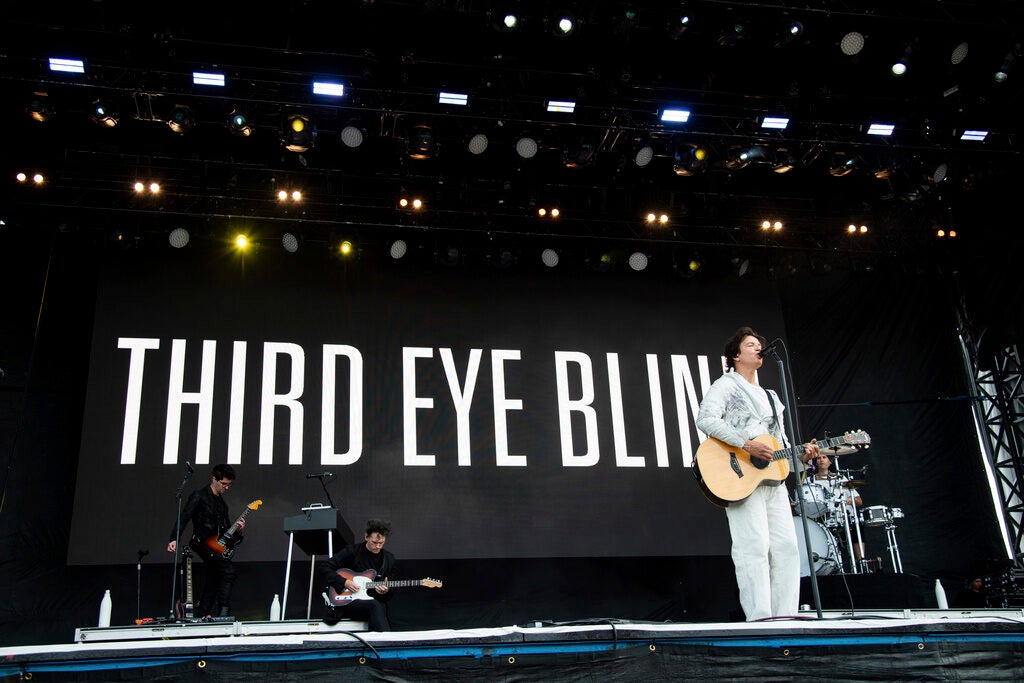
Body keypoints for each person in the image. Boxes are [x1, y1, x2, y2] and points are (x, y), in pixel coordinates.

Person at [696, 326, 819, 621]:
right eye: (751, 345)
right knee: (754, 545)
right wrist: (747, 445)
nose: (757, 349)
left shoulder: (772, 397)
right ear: (736, 355)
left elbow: (782, 444)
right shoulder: (725, 385)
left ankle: (786, 615)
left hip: (773, 479)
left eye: (758, 345)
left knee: (787, 546)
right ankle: (760, 617)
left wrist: (802, 458)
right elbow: (706, 418)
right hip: (740, 476)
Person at [167, 463, 243, 618]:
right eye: (224, 484)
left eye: (229, 485)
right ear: (214, 479)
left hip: (216, 546)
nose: (226, 488)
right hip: (201, 542)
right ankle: (224, 611)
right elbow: (185, 517)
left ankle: (203, 613)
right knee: (228, 570)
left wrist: (238, 530)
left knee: (214, 577)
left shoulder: (222, 504)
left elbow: (227, 530)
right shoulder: (199, 496)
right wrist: (174, 538)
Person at [321, 519, 396, 631]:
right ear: (366, 537)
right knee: (375, 606)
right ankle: (385, 642)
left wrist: (386, 591)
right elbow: (324, 567)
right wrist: (344, 582)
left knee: (379, 606)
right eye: (374, 542)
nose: (378, 546)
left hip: (374, 603)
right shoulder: (352, 551)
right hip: (348, 602)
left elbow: (388, 595)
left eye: (381, 543)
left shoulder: (388, 559)